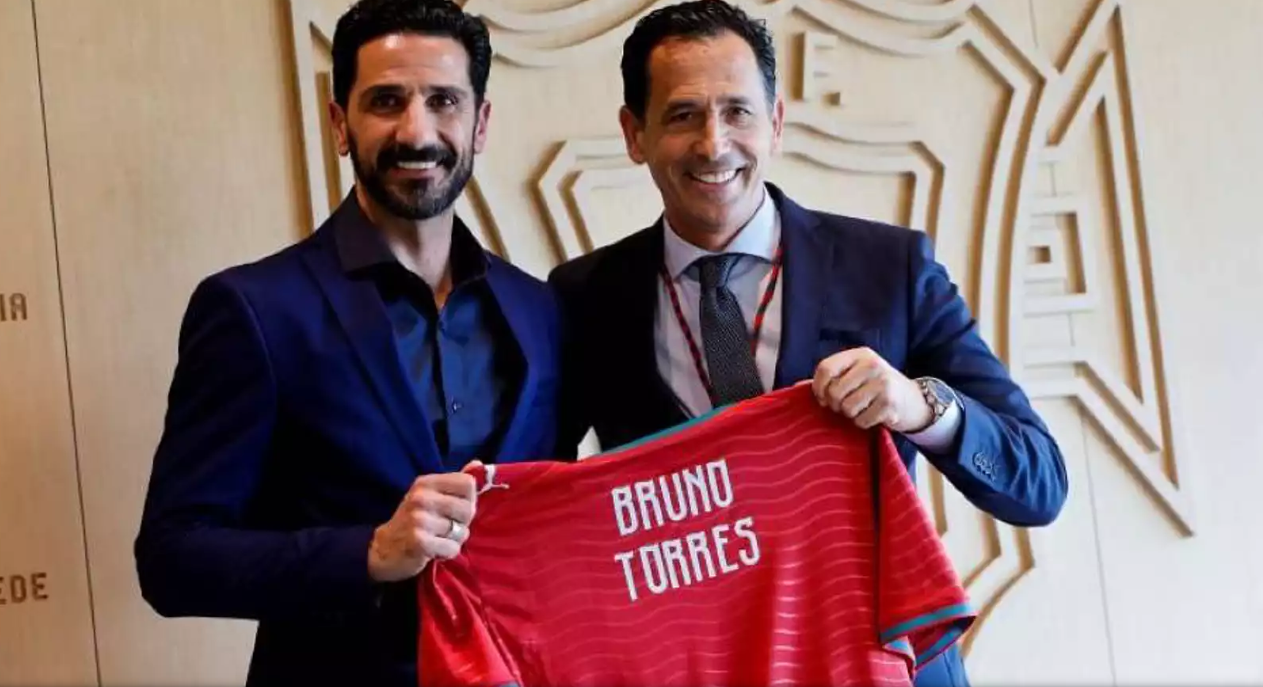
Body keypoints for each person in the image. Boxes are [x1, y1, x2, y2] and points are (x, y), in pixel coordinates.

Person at [548, 2, 1069, 686]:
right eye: (682, 115)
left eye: (737, 112)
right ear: (633, 134)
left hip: (885, 662)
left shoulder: (890, 267)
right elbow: (544, 501)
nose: (713, 143)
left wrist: (920, 407)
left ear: (776, 121)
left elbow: (1039, 482)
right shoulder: (582, 297)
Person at [133, 1, 561, 684]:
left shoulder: (540, 310)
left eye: (443, 101)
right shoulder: (252, 309)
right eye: (386, 101)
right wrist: (370, 551)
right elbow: (171, 559)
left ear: (480, 123)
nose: (416, 131)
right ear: (339, 123)